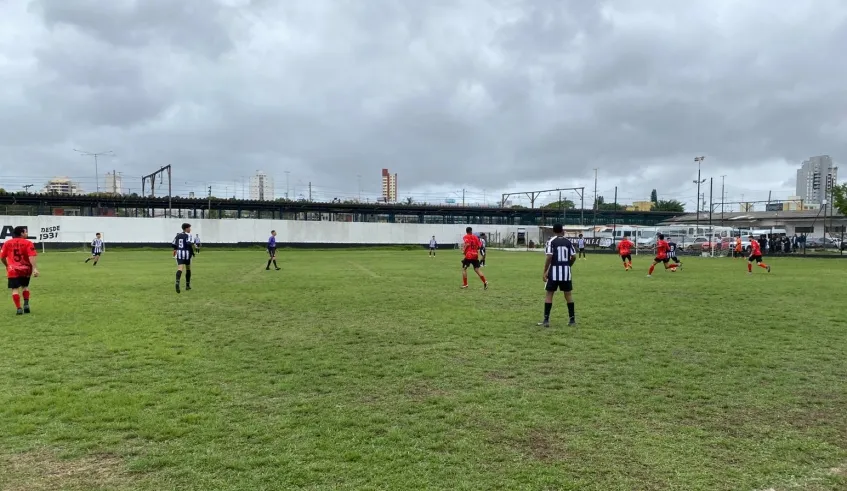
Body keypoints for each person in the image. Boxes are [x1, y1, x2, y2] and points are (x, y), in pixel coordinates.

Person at [538, 223, 576, 327]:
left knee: (549, 294)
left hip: (553, 273)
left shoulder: (551, 241)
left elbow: (549, 256)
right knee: (568, 295)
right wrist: (568, 265)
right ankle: (572, 320)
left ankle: (546, 320)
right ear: (562, 230)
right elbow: (574, 256)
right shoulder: (568, 242)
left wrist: (545, 271)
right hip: (566, 273)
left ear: (553, 231)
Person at [0, 226, 39, 315]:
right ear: (21, 233)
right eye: (25, 232)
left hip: (12, 269)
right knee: (25, 286)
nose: (27, 233)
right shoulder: (28, 243)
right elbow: (31, 256)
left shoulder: (7, 243)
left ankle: (19, 308)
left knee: (14, 289)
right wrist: (34, 268)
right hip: (25, 269)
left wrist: (7, 265)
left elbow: (2, 257)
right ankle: (26, 304)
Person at [172, 223, 195, 293]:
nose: (190, 229)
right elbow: (190, 243)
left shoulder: (177, 236)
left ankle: (177, 282)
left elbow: (173, 244)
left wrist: (176, 250)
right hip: (187, 254)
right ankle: (187, 285)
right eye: (189, 228)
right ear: (186, 228)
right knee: (188, 268)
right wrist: (193, 251)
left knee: (180, 269)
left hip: (179, 254)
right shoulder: (189, 235)